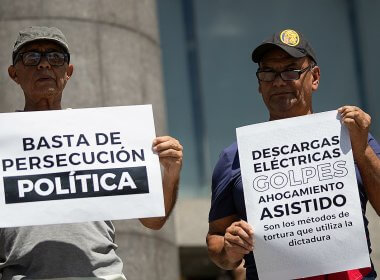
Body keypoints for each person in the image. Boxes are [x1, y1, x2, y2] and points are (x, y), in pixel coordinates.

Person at [1, 26, 183, 279]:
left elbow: (153, 220)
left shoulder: (107, 135)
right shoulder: (2, 143)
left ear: (69, 72)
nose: (44, 65)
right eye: (31, 57)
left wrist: (171, 173)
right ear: (14, 74)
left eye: (55, 57)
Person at [207, 29, 380, 280]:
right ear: (259, 84)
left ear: (315, 77)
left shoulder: (352, 136)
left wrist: (362, 148)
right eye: (268, 73)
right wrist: (230, 249)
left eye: (291, 71)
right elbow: (216, 238)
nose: (278, 81)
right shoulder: (233, 157)